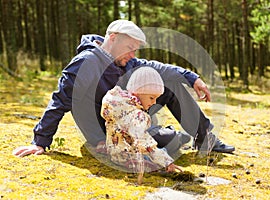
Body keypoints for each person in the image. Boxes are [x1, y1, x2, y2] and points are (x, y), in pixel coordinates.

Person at [13, 19, 234, 158]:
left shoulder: (125, 62)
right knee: (168, 142)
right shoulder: (86, 62)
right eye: (129, 48)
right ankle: (163, 135)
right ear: (112, 38)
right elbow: (60, 101)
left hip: (129, 118)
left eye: (135, 50)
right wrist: (40, 142)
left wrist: (192, 77)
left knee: (171, 83)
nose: (132, 54)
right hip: (105, 132)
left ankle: (204, 138)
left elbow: (156, 67)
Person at [101, 67, 181, 174]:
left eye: (156, 98)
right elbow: (144, 142)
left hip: (115, 154)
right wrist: (167, 162)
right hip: (129, 156)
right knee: (162, 152)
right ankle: (144, 164)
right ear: (137, 93)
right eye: (152, 98)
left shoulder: (118, 103)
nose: (154, 102)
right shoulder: (137, 116)